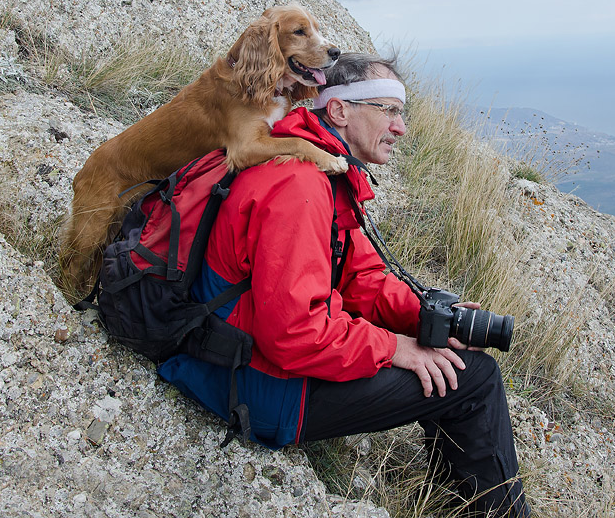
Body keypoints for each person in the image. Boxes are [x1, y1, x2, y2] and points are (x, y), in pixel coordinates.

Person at [157, 52, 530, 517]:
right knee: (474, 379)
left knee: (450, 353)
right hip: (261, 388)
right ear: (338, 111)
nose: (401, 127)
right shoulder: (297, 185)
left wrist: (426, 319)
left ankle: (454, 497)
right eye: (389, 111)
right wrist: (393, 347)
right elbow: (295, 332)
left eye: (402, 113)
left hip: (249, 360)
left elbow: (362, 277)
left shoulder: (323, 170)